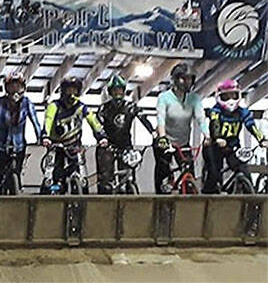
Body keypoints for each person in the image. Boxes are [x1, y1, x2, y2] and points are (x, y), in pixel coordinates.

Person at [41, 76, 107, 194]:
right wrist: (45, 136)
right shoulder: (54, 105)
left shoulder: (82, 107)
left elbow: (93, 121)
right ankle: (49, 192)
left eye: (74, 90)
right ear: (63, 91)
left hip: (75, 146)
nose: (71, 94)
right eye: (68, 90)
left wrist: (101, 136)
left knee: (82, 177)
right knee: (52, 176)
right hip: (57, 146)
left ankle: (83, 198)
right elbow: (48, 120)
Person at [202, 80, 268, 194]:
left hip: (233, 146)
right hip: (214, 146)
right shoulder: (216, 111)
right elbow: (215, 124)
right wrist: (218, 138)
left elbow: (251, 126)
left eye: (233, 95)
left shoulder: (243, 112)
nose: (230, 100)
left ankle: (248, 197)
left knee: (243, 170)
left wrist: (262, 139)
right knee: (214, 173)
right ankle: (209, 194)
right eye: (226, 97)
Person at [154, 62, 210, 194]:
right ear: (175, 79)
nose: (187, 82)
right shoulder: (164, 98)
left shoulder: (194, 99)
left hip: (183, 142)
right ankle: (160, 196)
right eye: (183, 78)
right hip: (165, 141)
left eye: (190, 78)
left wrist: (207, 135)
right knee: (162, 170)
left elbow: (200, 118)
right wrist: (162, 137)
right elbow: (160, 118)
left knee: (188, 170)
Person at [0, 72, 42, 194]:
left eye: (18, 86)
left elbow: (35, 121)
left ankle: (16, 192)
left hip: (19, 145)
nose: (15, 90)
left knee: (17, 173)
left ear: (23, 88)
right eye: (12, 87)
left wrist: (41, 137)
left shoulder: (27, 103)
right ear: (6, 88)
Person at [95, 74, 155, 194]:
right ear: (110, 92)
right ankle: (103, 202)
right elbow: (97, 126)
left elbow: (143, 118)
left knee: (129, 177)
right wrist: (101, 138)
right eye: (115, 90)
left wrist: (153, 132)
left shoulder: (130, 107)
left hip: (126, 146)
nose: (118, 93)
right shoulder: (104, 109)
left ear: (124, 91)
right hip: (108, 146)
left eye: (120, 90)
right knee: (105, 179)